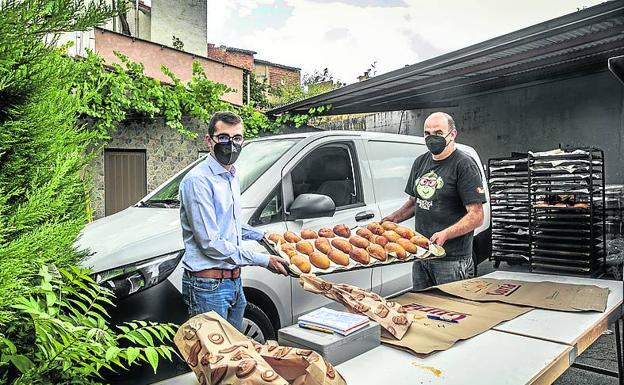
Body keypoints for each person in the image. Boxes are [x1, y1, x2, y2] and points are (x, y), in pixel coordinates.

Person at [178, 111, 289, 331]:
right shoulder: (198, 181)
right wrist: (264, 260)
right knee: (215, 361)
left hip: (234, 282)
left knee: (235, 356)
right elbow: (210, 242)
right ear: (209, 141)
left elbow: (229, 222)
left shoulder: (231, 175)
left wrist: (262, 236)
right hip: (208, 287)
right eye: (224, 138)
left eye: (237, 138)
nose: (231, 144)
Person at [383, 112, 486, 290]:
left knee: (453, 311)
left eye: (438, 133)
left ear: (452, 134)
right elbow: (415, 202)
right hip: (422, 255)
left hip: (452, 260)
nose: (432, 138)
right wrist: (394, 218)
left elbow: (477, 216)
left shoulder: (464, 165)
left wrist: (446, 234)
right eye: (427, 134)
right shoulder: (420, 163)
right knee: (422, 310)